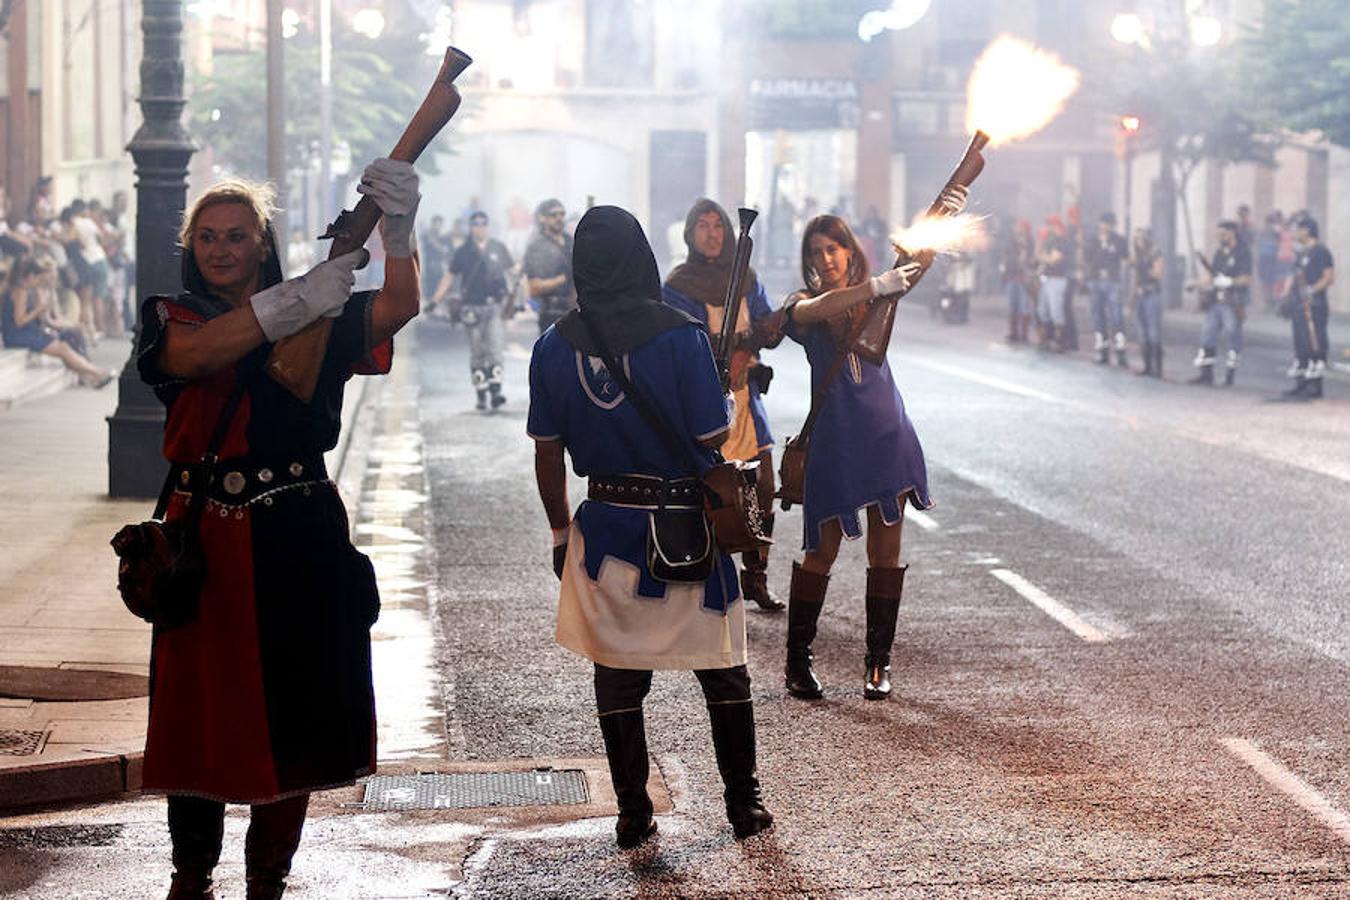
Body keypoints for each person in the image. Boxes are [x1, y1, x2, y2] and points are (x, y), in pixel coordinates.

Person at [134, 160, 420, 900]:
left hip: (298, 533)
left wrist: (401, 231)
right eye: (207, 237)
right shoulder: (173, 313)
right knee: (201, 716)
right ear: (191, 246)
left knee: (295, 710)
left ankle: (269, 881)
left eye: (237, 236)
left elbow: (396, 308)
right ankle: (190, 878)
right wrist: (293, 302)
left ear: (263, 244)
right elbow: (198, 356)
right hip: (206, 539)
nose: (221, 248)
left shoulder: (322, 311)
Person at [528, 205, 773, 849]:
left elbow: (546, 450)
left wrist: (559, 532)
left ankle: (633, 813)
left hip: (605, 531)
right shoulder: (681, 334)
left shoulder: (554, 345)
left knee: (617, 675)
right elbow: (712, 433)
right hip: (685, 527)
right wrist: (720, 392)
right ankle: (743, 807)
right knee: (723, 672)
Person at [778, 191, 962, 703]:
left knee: (886, 553)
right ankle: (798, 661)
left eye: (833, 248)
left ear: (849, 249)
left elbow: (919, 257)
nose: (825, 258)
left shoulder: (880, 292)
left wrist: (943, 210)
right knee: (821, 554)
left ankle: (878, 664)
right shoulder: (803, 306)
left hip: (887, 434)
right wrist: (874, 285)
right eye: (815, 252)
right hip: (836, 443)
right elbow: (815, 309)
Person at [663, 198, 783, 611]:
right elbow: (684, 342)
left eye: (718, 226)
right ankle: (714, 578)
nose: (712, 234)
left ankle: (756, 575)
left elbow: (767, 323)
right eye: (703, 226)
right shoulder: (677, 287)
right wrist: (727, 351)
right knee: (715, 497)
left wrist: (763, 333)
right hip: (706, 404)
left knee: (762, 489)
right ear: (690, 234)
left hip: (749, 401)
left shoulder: (745, 277)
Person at [436, 211, 515, 409]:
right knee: (478, 351)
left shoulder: (498, 247)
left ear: (488, 226)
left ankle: (496, 390)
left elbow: (513, 272)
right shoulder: (463, 251)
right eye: (476, 224)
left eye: (483, 223)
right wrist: (434, 300)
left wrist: (520, 296)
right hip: (471, 306)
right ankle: (481, 393)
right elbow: (449, 277)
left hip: (494, 305)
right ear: (471, 227)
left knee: (495, 348)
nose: (480, 227)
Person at [2, 254, 114, 386]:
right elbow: (19, 320)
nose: (38, 282)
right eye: (38, 278)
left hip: (26, 332)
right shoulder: (21, 291)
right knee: (63, 349)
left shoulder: (23, 289)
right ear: (31, 276)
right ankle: (97, 373)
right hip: (19, 335)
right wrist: (38, 309)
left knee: (64, 347)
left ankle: (91, 374)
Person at [1189, 220, 1251, 387]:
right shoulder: (1219, 253)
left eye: (1222, 234)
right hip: (1216, 301)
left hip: (1233, 302)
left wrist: (1230, 281)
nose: (1219, 237)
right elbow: (1211, 275)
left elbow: (1247, 278)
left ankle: (1230, 376)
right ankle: (1206, 374)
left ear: (1232, 232)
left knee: (1233, 336)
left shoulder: (1242, 252)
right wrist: (1196, 284)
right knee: (1206, 335)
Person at [1280, 217, 1335, 400]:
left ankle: (1315, 386)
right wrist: (1286, 295)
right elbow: (1294, 275)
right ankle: (1300, 384)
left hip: (1315, 305)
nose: (1294, 233)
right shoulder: (1301, 253)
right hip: (1299, 305)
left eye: (1297, 229)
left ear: (1307, 230)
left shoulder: (1321, 252)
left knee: (1315, 344)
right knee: (1300, 345)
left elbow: (1329, 277)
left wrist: (1311, 290)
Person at [523, 198, 576, 335]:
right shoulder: (537, 247)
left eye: (562, 214)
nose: (559, 218)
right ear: (542, 218)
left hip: (575, 313)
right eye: (554, 215)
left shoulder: (571, 241)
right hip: (551, 314)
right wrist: (564, 278)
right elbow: (534, 288)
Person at [1085, 212, 1129, 367]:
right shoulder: (1092, 240)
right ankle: (1102, 350)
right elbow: (1089, 257)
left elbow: (1124, 256)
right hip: (1096, 280)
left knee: (1116, 317)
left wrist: (1109, 247)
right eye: (1103, 223)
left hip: (1112, 281)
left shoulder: (1119, 240)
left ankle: (1121, 352)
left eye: (1108, 224)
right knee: (1098, 317)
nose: (1105, 227)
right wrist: (1102, 246)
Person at [1131, 228, 1165, 378]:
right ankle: (1147, 365)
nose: (1138, 241)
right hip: (1140, 294)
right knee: (1142, 333)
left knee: (1153, 332)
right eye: (1136, 239)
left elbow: (1158, 273)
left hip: (1152, 294)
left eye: (1141, 238)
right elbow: (1137, 276)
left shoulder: (1154, 252)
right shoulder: (1138, 254)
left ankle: (1157, 368)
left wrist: (1146, 267)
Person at [1036, 215, 1069, 351]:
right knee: (1043, 310)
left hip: (1057, 279)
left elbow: (1053, 259)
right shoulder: (1049, 240)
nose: (1049, 227)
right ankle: (1045, 339)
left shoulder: (1061, 240)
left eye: (1051, 225)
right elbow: (1039, 256)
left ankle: (1059, 341)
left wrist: (1043, 256)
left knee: (1056, 311)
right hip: (1047, 278)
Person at [1001, 219, 1035, 344]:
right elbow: (1006, 256)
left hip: (1023, 278)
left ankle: (1024, 334)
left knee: (1024, 306)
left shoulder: (1029, 242)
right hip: (1011, 276)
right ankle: (1013, 332)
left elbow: (1030, 259)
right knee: (1012, 306)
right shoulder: (1011, 241)